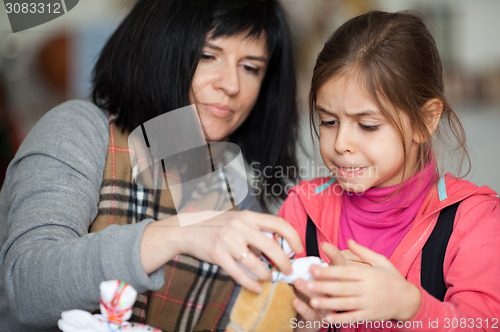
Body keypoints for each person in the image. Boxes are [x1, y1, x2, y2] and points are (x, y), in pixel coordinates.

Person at [0, 0, 305, 331]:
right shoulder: (80, 129)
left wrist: (305, 316)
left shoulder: (228, 183)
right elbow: (28, 286)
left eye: (250, 67)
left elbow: (254, 312)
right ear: (159, 48)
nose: (231, 85)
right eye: (207, 55)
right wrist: (177, 234)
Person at [278, 10, 500, 331]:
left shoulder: (472, 220)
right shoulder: (302, 210)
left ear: (425, 121)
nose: (341, 143)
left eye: (367, 126)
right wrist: (298, 322)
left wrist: (410, 305)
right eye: (328, 121)